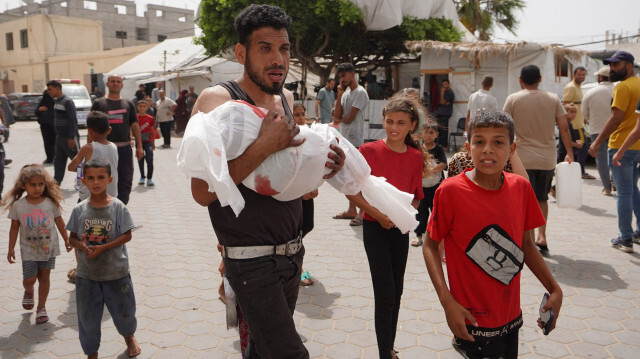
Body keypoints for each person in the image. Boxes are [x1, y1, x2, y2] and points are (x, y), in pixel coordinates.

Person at [189, 5, 345, 358]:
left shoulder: (285, 100)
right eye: (265, 48)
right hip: (250, 261)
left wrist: (321, 168)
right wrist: (262, 146)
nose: (278, 59)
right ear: (241, 52)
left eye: (284, 48)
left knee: (262, 352)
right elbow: (202, 193)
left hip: (293, 253)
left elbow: (283, 177)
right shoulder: (216, 101)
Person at [423, 108, 563, 359]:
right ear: (468, 147)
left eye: (498, 142)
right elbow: (430, 245)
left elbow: (526, 245)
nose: (488, 149)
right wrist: (447, 302)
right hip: (470, 319)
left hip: (510, 316)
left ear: (512, 149)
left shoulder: (520, 188)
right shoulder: (450, 192)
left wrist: (554, 288)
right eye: (479, 141)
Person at [345, 93, 423, 359]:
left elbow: (416, 196)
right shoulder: (367, 151)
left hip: (399, 230)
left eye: (401, 123)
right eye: (390, 121)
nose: (394, 128)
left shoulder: (415, 156)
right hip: (375, 228)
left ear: (411, 125)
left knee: (397, 291)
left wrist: (405, 215)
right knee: (385, 294)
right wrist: (377, 215)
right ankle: (384, 353)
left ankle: (389, 345)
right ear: (383, 120)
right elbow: (351, 191)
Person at [66, 159, 141, 359]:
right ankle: (92, 353)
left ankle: (129, 337)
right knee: (87, 319)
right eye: (90, 178)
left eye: (100, 177)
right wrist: (80, 245)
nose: (95, 182)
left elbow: (127, 235)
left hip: (116, 273)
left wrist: (103, 248)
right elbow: (71, 238)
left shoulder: (118, 207)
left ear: (109, 179)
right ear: (83, 180)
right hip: (86, 275)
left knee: (124, 311)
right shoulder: (79, 209)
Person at [503, 64, 574, 252]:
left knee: (524, 200)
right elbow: (564, 127)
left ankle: (530, 239)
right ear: (540, 79)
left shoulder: (513, 99)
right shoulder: (552, 99)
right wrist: (570, 153)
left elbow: (503, 127)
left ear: (520, 80)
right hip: (547, 158)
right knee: (542, 198)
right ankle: (542, 236)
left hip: (521, 159)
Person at [4, 164, 71, 325]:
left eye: (40, 184)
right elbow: (14, 228)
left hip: (49, 248)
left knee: (44, 277)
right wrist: (10, 247)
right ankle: (28, 290)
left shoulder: (50, 203)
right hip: (29, 250)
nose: (37, 188)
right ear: (23, 185)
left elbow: (59, 222)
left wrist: (67, 239)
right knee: (30, 279)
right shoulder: (19, 206)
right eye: (33, 185)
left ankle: (41, 307)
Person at [590, 51, 640, 253]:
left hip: (621, 145)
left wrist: (597, 142)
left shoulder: (623, 87)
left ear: (628, 66)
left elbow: (615, 118)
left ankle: (625, 238)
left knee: (624, 192)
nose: (611, 69)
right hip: (637, 146)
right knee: (633, 189)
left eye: (616, 65)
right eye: (610, 65)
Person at [91, 74, 143, 205]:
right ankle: (104, 209)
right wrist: (89, 149)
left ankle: (121, 210)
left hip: (124, 149)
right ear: (107, 84)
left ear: (122, 85)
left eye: (118, 81)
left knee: (125, 181)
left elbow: (135, 125)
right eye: (112, 81)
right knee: (104, 180)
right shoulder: (98, 103)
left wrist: (140, 146)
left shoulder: (128, 103)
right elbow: (91, 127)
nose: (115, 83)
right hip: (103, 149)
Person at [333, 62, 369, 226]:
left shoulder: (360, 92)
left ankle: (362, 213)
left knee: (357, 177)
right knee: (349, 177)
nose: (342, 79)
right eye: (340, 76)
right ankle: (352, 210)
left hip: (356, 140)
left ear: (352, 74)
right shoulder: (346, 94)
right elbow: (337, 116)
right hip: (345, 139)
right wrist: (339, 95)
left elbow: (348, 118)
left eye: (344, 75)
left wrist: (339, 119)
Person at [67, 111, 119, 202]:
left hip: (89, 196)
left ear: (89, 131)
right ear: (109, 129)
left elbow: (71, 167)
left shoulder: (88, 148)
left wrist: (82, 170)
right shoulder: (114, 147)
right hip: (110, 194)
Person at [413, 121, 446, 248]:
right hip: (421, 187)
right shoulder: (418, 149)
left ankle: (436, 238)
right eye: (426, 132)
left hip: (435, 187)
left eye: (431, 132)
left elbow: (443, 164)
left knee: (435, 212)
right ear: (421, 134)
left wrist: (430, 171)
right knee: (421, 212)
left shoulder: (438, 149)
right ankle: (419, 235)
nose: (428, 135)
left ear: (436, 134)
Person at [583, 66, 615, 195]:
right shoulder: (617, 90)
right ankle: (616, 182)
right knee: (615, 156)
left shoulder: (591, 92)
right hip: (616, 129)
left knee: (601, 158)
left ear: (600, 77)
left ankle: (607, 188)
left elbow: (584, 113)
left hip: (596, 129)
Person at [563, 66, 594, 179]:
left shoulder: (578, 87)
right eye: (579, 74)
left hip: (580, 123)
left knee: (582, 147)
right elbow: (565, 104)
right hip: (574, 124)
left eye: (583, 75)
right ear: (574, 75)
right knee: (582, 147)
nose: (581, 77)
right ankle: (580, 171)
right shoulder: (571, 87)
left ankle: (579, 171)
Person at [47, 80, 81, 185]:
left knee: (77, 161)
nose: (48, 92)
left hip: (69, 137)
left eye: (50, 89)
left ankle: (82, 181)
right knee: (58, 161)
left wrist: (71, 137)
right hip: (60, 137)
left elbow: (72, 120)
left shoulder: (67, 101)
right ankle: (56, 183)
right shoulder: (56, 101)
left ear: (57, 88)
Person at [136, 99, 155, 186]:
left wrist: (153, 143)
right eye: (140, 106)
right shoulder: (135, 118)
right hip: (139, 141)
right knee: (140, 159)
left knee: (149, 159)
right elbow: (132, 129)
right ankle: (142, 177)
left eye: (144, 106)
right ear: (137, 107)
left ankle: (150, 178)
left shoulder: (150, 118)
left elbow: (152, 131)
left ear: (147, 107)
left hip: (148, 141)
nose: (142, 108)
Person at [36, 90, 56, 164]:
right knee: (47, 142)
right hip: (44, 126)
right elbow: (36, 112)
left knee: (54, 142)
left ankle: (55, 157)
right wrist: (39, 109)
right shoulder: (42, 102)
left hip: (53, 126)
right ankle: (49, 158)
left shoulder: (54, 103)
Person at [436, 79, 454, 150]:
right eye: (443, 85)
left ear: (449, 84)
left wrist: (442, 92)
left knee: (444, 130)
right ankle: (440, 144)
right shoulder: (446, 92)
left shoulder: (450, 92)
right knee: (440, 129)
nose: (444, 86)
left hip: (446, 113)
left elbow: (443, 102)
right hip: (442, 112)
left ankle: (444, 146)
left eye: (446, 84)